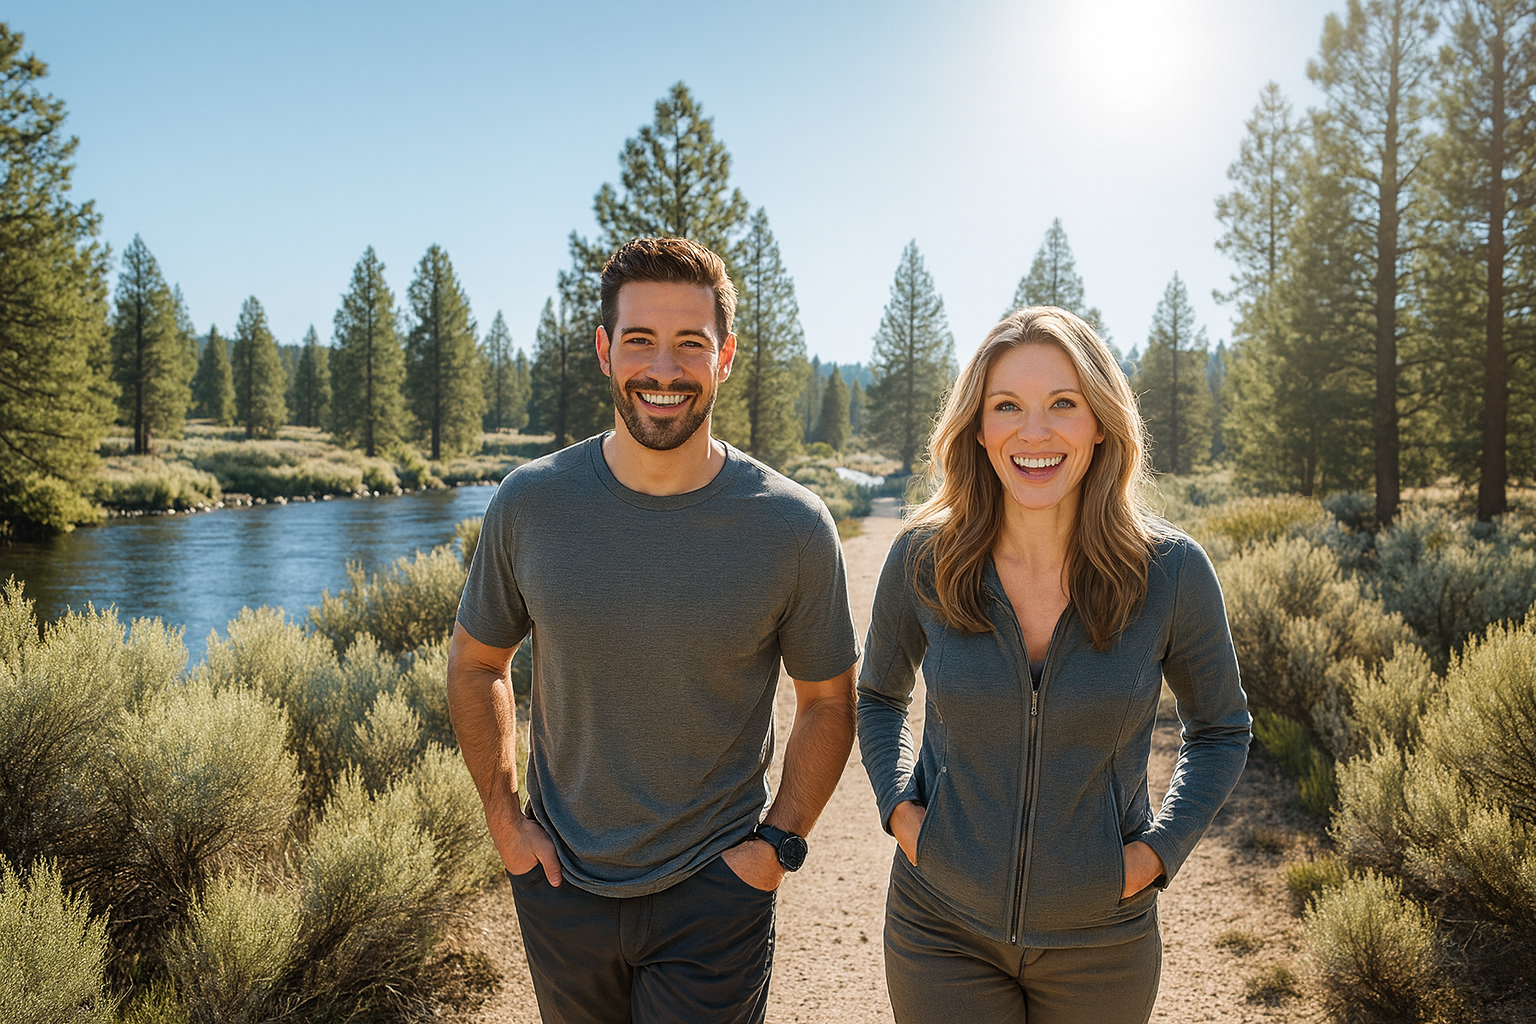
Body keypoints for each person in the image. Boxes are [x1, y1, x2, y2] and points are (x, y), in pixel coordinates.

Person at [447, 236, 860, 1024]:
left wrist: (775, 849)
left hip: (715, 895)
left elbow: (829, 703)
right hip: (561, 888)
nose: (663, 370)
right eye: (639, 340)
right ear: (605, 349)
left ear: (725, 357)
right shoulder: (531, 504)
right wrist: (507, 827)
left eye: (690, 344)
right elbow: (476, 665)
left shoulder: (792, 527)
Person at [857, 307, 1250, 1023]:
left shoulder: (1171, 572)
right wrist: (901, 814)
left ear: (1100, 422)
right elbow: (879, 695)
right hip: (940, 928)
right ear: (979, 427)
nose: (1033, 433)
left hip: (1102, 944)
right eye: (1007, 406)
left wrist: (1155, 854)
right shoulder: (924, 557)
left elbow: (1222, 728)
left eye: (1062, 404)